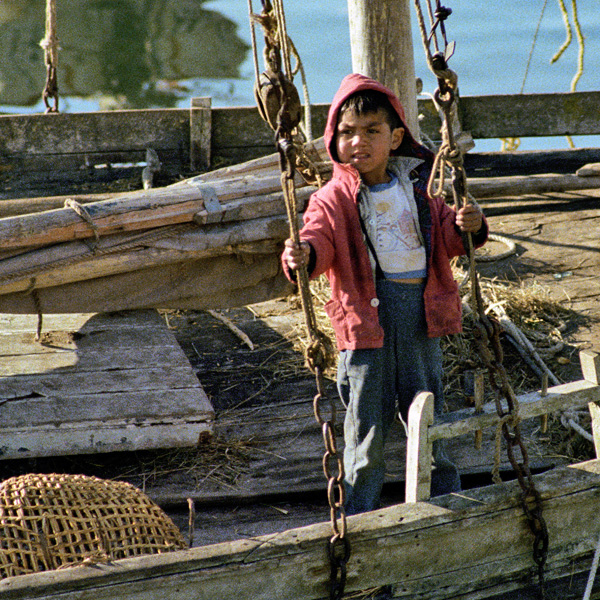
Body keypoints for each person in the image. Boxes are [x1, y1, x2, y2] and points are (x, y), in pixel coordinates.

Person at [282, 73, 488, 515]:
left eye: (372, 131)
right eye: (347, 132)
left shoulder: (418, 189)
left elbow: (450, 240)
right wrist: (304, 254)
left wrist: (467, 225)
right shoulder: (331, 199)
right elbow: (318, 240)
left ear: (395, 138)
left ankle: (443, 493)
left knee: (428, 408)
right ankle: (360, 507)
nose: (359, 142)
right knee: (366, 421)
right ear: (332, 141)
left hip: (419, 316)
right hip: (365, 326)